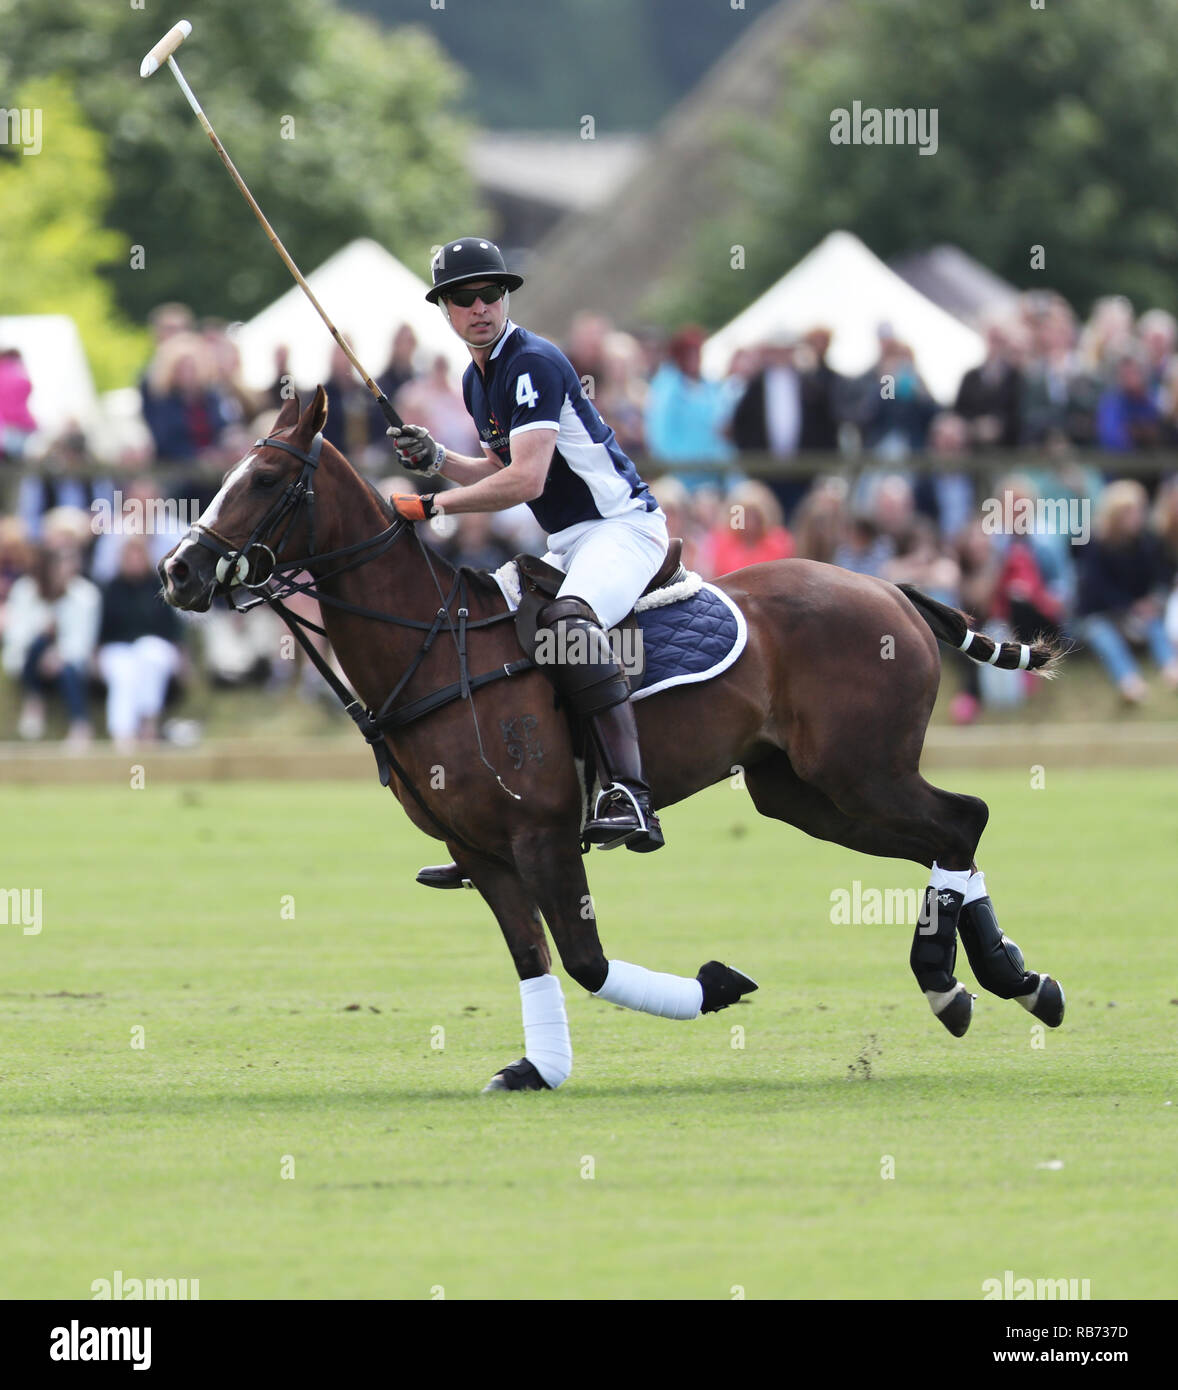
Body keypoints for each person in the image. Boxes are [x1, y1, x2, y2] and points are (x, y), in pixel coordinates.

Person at [384, 235, 669, 883]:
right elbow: (496, 466)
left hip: (621, 528)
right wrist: (438, 462)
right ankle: (493, 822)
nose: (481, 306)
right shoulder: (475, 378)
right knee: (474, 622)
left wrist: (436, 507)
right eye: (464, 297)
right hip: (569, 541)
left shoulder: (532, 362)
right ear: (446, 311)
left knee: (569, 620)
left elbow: (528, 481)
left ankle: (628, 791)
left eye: (493, 293)